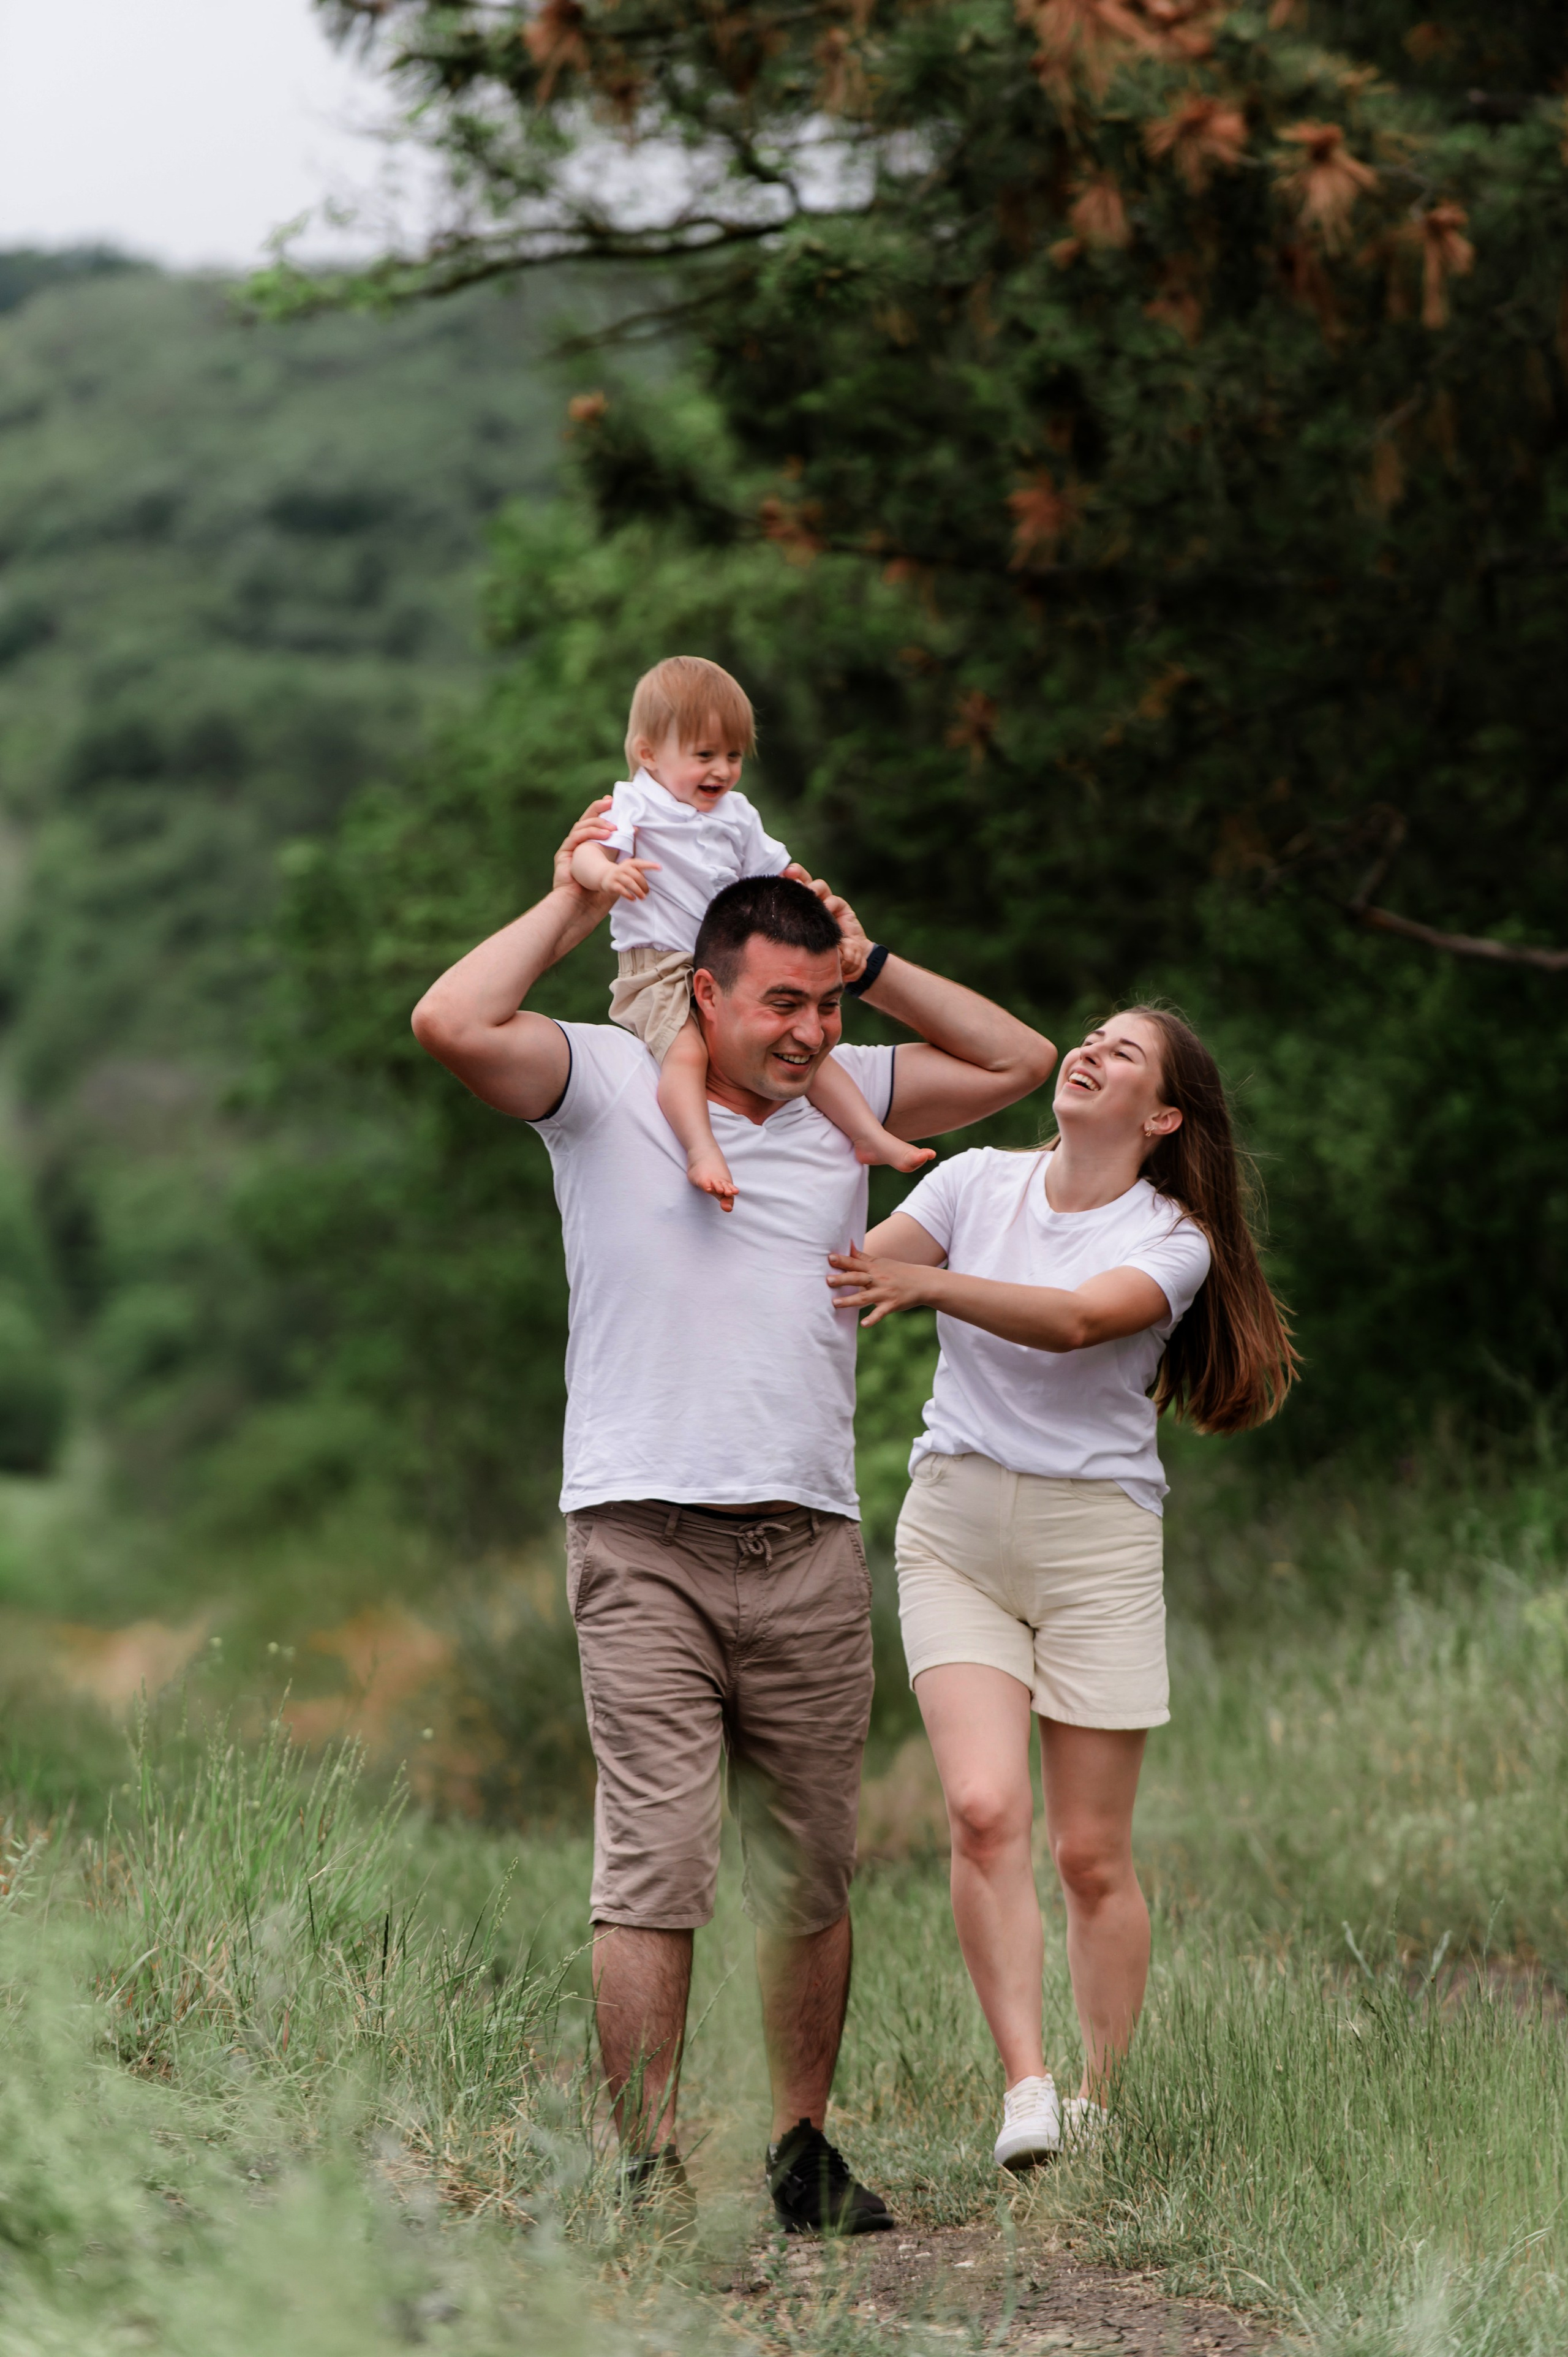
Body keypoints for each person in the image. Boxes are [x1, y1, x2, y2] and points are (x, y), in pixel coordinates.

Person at [410, 800, 1057, 2230]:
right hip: (639, 1531)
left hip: (808, 1538)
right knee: (655, 1856)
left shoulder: (852, 1090)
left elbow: (1025, 1062)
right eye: (782, 1001)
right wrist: (578, 901)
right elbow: (451, 1019)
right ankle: (642, 2165)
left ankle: (797, 2148)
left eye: (824, 1005)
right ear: (703, 990)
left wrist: (866, 957)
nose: (809, 1031)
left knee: (810, 1858)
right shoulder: (601, 1080)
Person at [827, 1005, 1297, 2170]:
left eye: (1122, 1053)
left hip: (1096, 1546)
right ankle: (1026, 2085)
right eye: (1086, 1037)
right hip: (956, 1528)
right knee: (985, 1811)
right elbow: (849, 1267)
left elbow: (1084, 1320)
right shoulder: (975, 1183)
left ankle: (1097, 2093)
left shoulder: (1175, 1235)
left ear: (1164, 1114)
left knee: (1091, 1853)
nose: (1086, 1051)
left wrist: (935, 1289)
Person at [570, 654, 932, 1211]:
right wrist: (608, 874)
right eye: (704, 755)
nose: (721, 770)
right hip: (661, 969)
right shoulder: (634, 803)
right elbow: (587, 853)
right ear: (649, 754)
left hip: (728, 965)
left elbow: (775, 871)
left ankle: (867, 1134)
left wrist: (806, 895)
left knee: (815, 1057)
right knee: (686, 1055)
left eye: (734, 756)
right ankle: (701, 1148)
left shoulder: (737, 813)